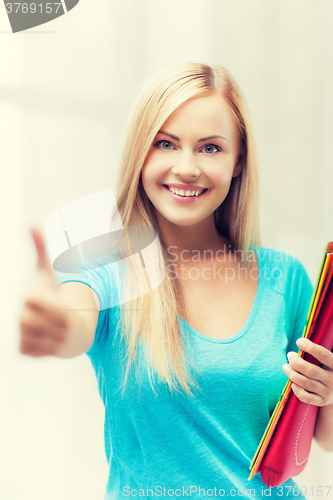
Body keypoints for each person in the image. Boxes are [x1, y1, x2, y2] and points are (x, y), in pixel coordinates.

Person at [20, 62, 333, 500]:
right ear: (140, 154)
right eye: (165, 143)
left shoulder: (286, 279)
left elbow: (322, 438)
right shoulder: (107, 265)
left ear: (238, 160)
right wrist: (56, 322)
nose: (186, 167)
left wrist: (329, 394)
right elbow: (74, 326)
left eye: (210, 148)